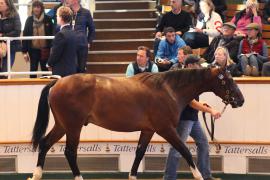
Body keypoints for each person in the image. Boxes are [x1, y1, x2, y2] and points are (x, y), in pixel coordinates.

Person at [164, 55, 222, 180]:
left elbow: (194, 102)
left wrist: (203, 106)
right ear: (190, 66)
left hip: (192, 118)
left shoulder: (191, 78)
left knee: (203, 144)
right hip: (184, 119)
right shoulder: (184, 80)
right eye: (197, 64)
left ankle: (205, 175)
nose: (200, 66)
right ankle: (169, 177)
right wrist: (210, 110)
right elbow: (191, 102)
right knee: (177, 148)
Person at [22, 0, 54, 78]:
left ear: (42, 8)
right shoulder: (29, 20)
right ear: (32, 9)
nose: (36, 9)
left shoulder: (48, 19)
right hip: (33, 50)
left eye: (38, 7)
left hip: (45, 49)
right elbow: (25, 36)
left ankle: (46, 87)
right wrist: (24, 52)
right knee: (33, 69)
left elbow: (52, 33)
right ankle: (31, 87)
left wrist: (52, 48)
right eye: (34, 7)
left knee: (45, 69)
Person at [66, 0, 95, 73]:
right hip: (70, 45)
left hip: (82, 45)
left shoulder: (86, 12)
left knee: (81, 69)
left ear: (75, 1)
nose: (67, 0)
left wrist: (88, 42)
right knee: (71, 69)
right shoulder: (67, 12)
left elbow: (92, 29)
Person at [47, 6, 77, 77]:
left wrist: (49, 63)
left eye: (57, 16)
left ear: (61, 18)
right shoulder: (73, 33)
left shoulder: (60, 34)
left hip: (62, 71)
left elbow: (56, 53)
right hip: (72, 70)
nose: (56, 18)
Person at [0, 0, 21, 74]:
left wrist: (3, 36)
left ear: (8, 5)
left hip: (11, 47)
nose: (0, 5)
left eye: (1, 3)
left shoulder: (15, 15)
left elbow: (17, 31)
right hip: (0, 47)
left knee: (5, 72)